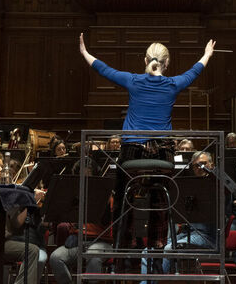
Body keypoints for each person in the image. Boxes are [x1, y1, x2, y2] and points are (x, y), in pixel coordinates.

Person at [79, 33, 216, 253]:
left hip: (132, 154)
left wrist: (85, 53)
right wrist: (206, 54)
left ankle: (122, 245)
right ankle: (156, 246)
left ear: (145, 60)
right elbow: (194, 71)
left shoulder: (133, 80)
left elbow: (104, 69)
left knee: (122, 191)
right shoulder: (173, 84)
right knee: (159, 198)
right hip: (161, 157)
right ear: (167, 63)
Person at [122, 150, 221, 284]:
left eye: (204, 164)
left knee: (168, 250)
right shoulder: (189, 187)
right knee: (148, 251)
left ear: (212, 165)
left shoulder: (217, 185)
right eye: (196, 166)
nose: (200, 168)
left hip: (208, 236)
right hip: (188, 233)